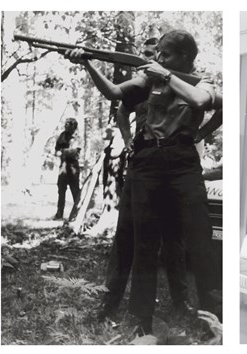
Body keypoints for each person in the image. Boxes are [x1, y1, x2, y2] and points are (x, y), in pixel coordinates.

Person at [67, 29, 218, 335]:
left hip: (183, 164)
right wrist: (87, 63)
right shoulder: (149, 81)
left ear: (185, 57)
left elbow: (204, 102)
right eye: (157, 53)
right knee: (143, 242)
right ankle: (140, 320)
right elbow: (114, 94)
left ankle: (211, 318)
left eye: (166, 54)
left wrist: (201, 133)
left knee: (200, 240)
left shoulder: (202, 83)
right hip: (148, 163)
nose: (158, 58)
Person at [53, 118, 81, 220]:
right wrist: (61, 152)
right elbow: (56, 151)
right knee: (61, 190)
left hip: (73, 166)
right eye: (67, 125)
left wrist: (62, 151)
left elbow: (73, 152)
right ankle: (59, 213)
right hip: (63, 165)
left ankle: (77, 213)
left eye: (70, 126)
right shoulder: (61, 136)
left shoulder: (76, 137)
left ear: (74, 127)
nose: (68, 127)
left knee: (75, 190)